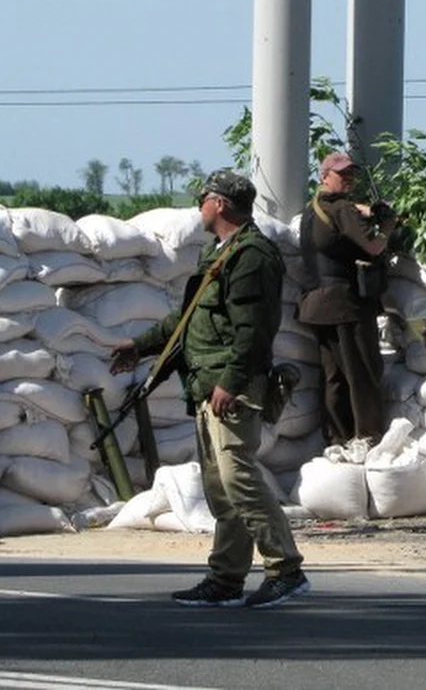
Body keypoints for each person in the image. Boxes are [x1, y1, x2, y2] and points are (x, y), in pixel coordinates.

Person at [109, 169, 309, 609]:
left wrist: (231, 382)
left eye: (203, 198)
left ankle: (285, 568)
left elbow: (254, 331)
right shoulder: (221, 252)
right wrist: (139, 347)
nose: (198, 206)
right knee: (221, 487)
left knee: (238, 476)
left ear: (219, 203)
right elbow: (188, 320)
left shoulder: (251, 256)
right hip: (207, 384)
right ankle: (226, 578)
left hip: (229, 387)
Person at [297, 151, 398, 445]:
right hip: (346, 304)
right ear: (325, 175)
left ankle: (338, 440)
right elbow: (375, 246)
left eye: (351, 174)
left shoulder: (311, 211)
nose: (348, 178)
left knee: (334, 377)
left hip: (318, 303)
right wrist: (388, 225)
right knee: (362, 373)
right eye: (342, 173)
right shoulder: (342, 209)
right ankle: (369, 438)